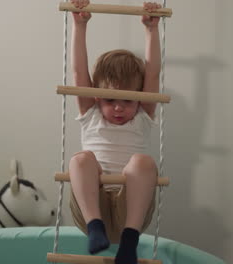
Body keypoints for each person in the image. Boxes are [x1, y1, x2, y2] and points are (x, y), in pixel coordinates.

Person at [68, 1, 162, 264]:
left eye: (127, 101)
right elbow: (78, 71)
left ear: (138, 99)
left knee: (142, 162)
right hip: (92, 205)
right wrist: (80, 24)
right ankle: (94, 228)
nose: (119, 107)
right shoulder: (91, 114)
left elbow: (153, 73)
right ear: (97, 97)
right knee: (81, 159)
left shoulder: (142, 116)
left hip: (131, 209)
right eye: (110, 100)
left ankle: (130, 241)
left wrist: (151, 30)